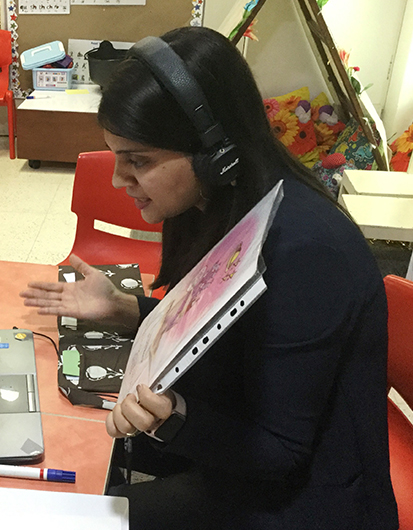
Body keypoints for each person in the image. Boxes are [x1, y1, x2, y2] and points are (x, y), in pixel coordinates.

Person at [20, 26, 397, 529]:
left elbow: (282, 449)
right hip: (231, 439)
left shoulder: (308, 252)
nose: (118, 179)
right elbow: (222, 329)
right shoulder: (218, 201)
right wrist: (124, 308)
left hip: (301, 496)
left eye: (139, 161)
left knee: (72, 515)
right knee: (60, 445)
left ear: (217, 153)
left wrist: (173, 415)